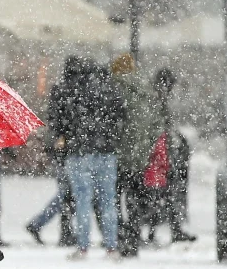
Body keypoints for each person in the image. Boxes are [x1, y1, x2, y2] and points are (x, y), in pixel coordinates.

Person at [56, 56, 126, 257]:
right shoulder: (111, 90)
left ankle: (83, 246)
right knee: (108, 201)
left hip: (79, 152)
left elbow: (63, 120)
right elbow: (121, 118)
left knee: (83, 200)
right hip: (106, 152)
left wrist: (66, 139)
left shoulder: (73, 91)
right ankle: (111, 246)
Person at [109, 53, 158, 256]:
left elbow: (114, 123)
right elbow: (154, 124)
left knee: (114, 200)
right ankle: (133, 238)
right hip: (140, 156)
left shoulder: (115, 89)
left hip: (119, 156)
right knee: (135, 200)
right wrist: (145, 147)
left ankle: (120, 237)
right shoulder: (145, 90)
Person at [25, 72, 73, 245]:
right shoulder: (70, 93)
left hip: (59, 150)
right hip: (65, 151)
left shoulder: (59, 91)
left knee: (66, 193)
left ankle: (63, 231)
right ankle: (38, 224)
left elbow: (54, 122)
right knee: (65, 193)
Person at [151, 68, 196, 243]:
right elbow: (160, 127)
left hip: (161, 153)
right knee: (165, 193)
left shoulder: (158, 99)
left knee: (161, 194)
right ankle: (172, 230)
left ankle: (165, 230)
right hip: (161, 154)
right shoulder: (158, 101)